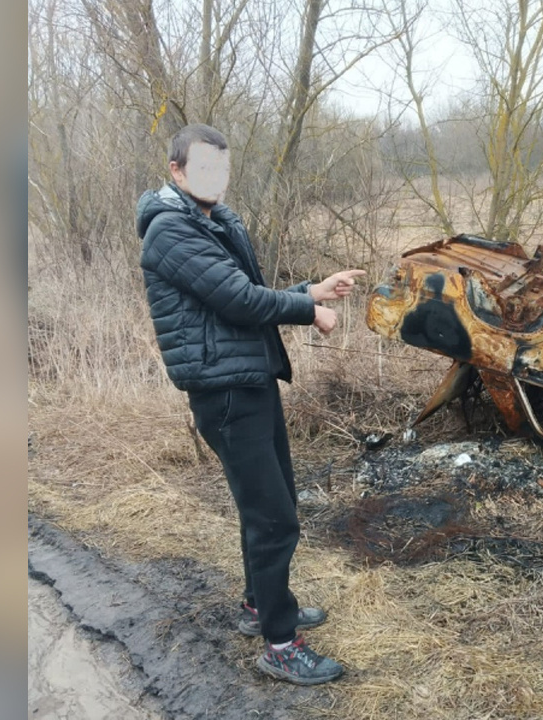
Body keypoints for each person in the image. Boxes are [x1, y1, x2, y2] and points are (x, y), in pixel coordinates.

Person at [136, 123, 364, 686]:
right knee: (273, 516)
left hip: (249, 378)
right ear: (177, 171)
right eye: (204, 166)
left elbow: (248, 289)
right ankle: (280, 644)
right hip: (224, 389)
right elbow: (238, 301)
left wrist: (313, 288)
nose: (216, 177)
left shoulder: (213, 220)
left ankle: (259, 605)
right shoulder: (169, 231)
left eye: (222, 166)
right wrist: (309, 312)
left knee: (271, 500)